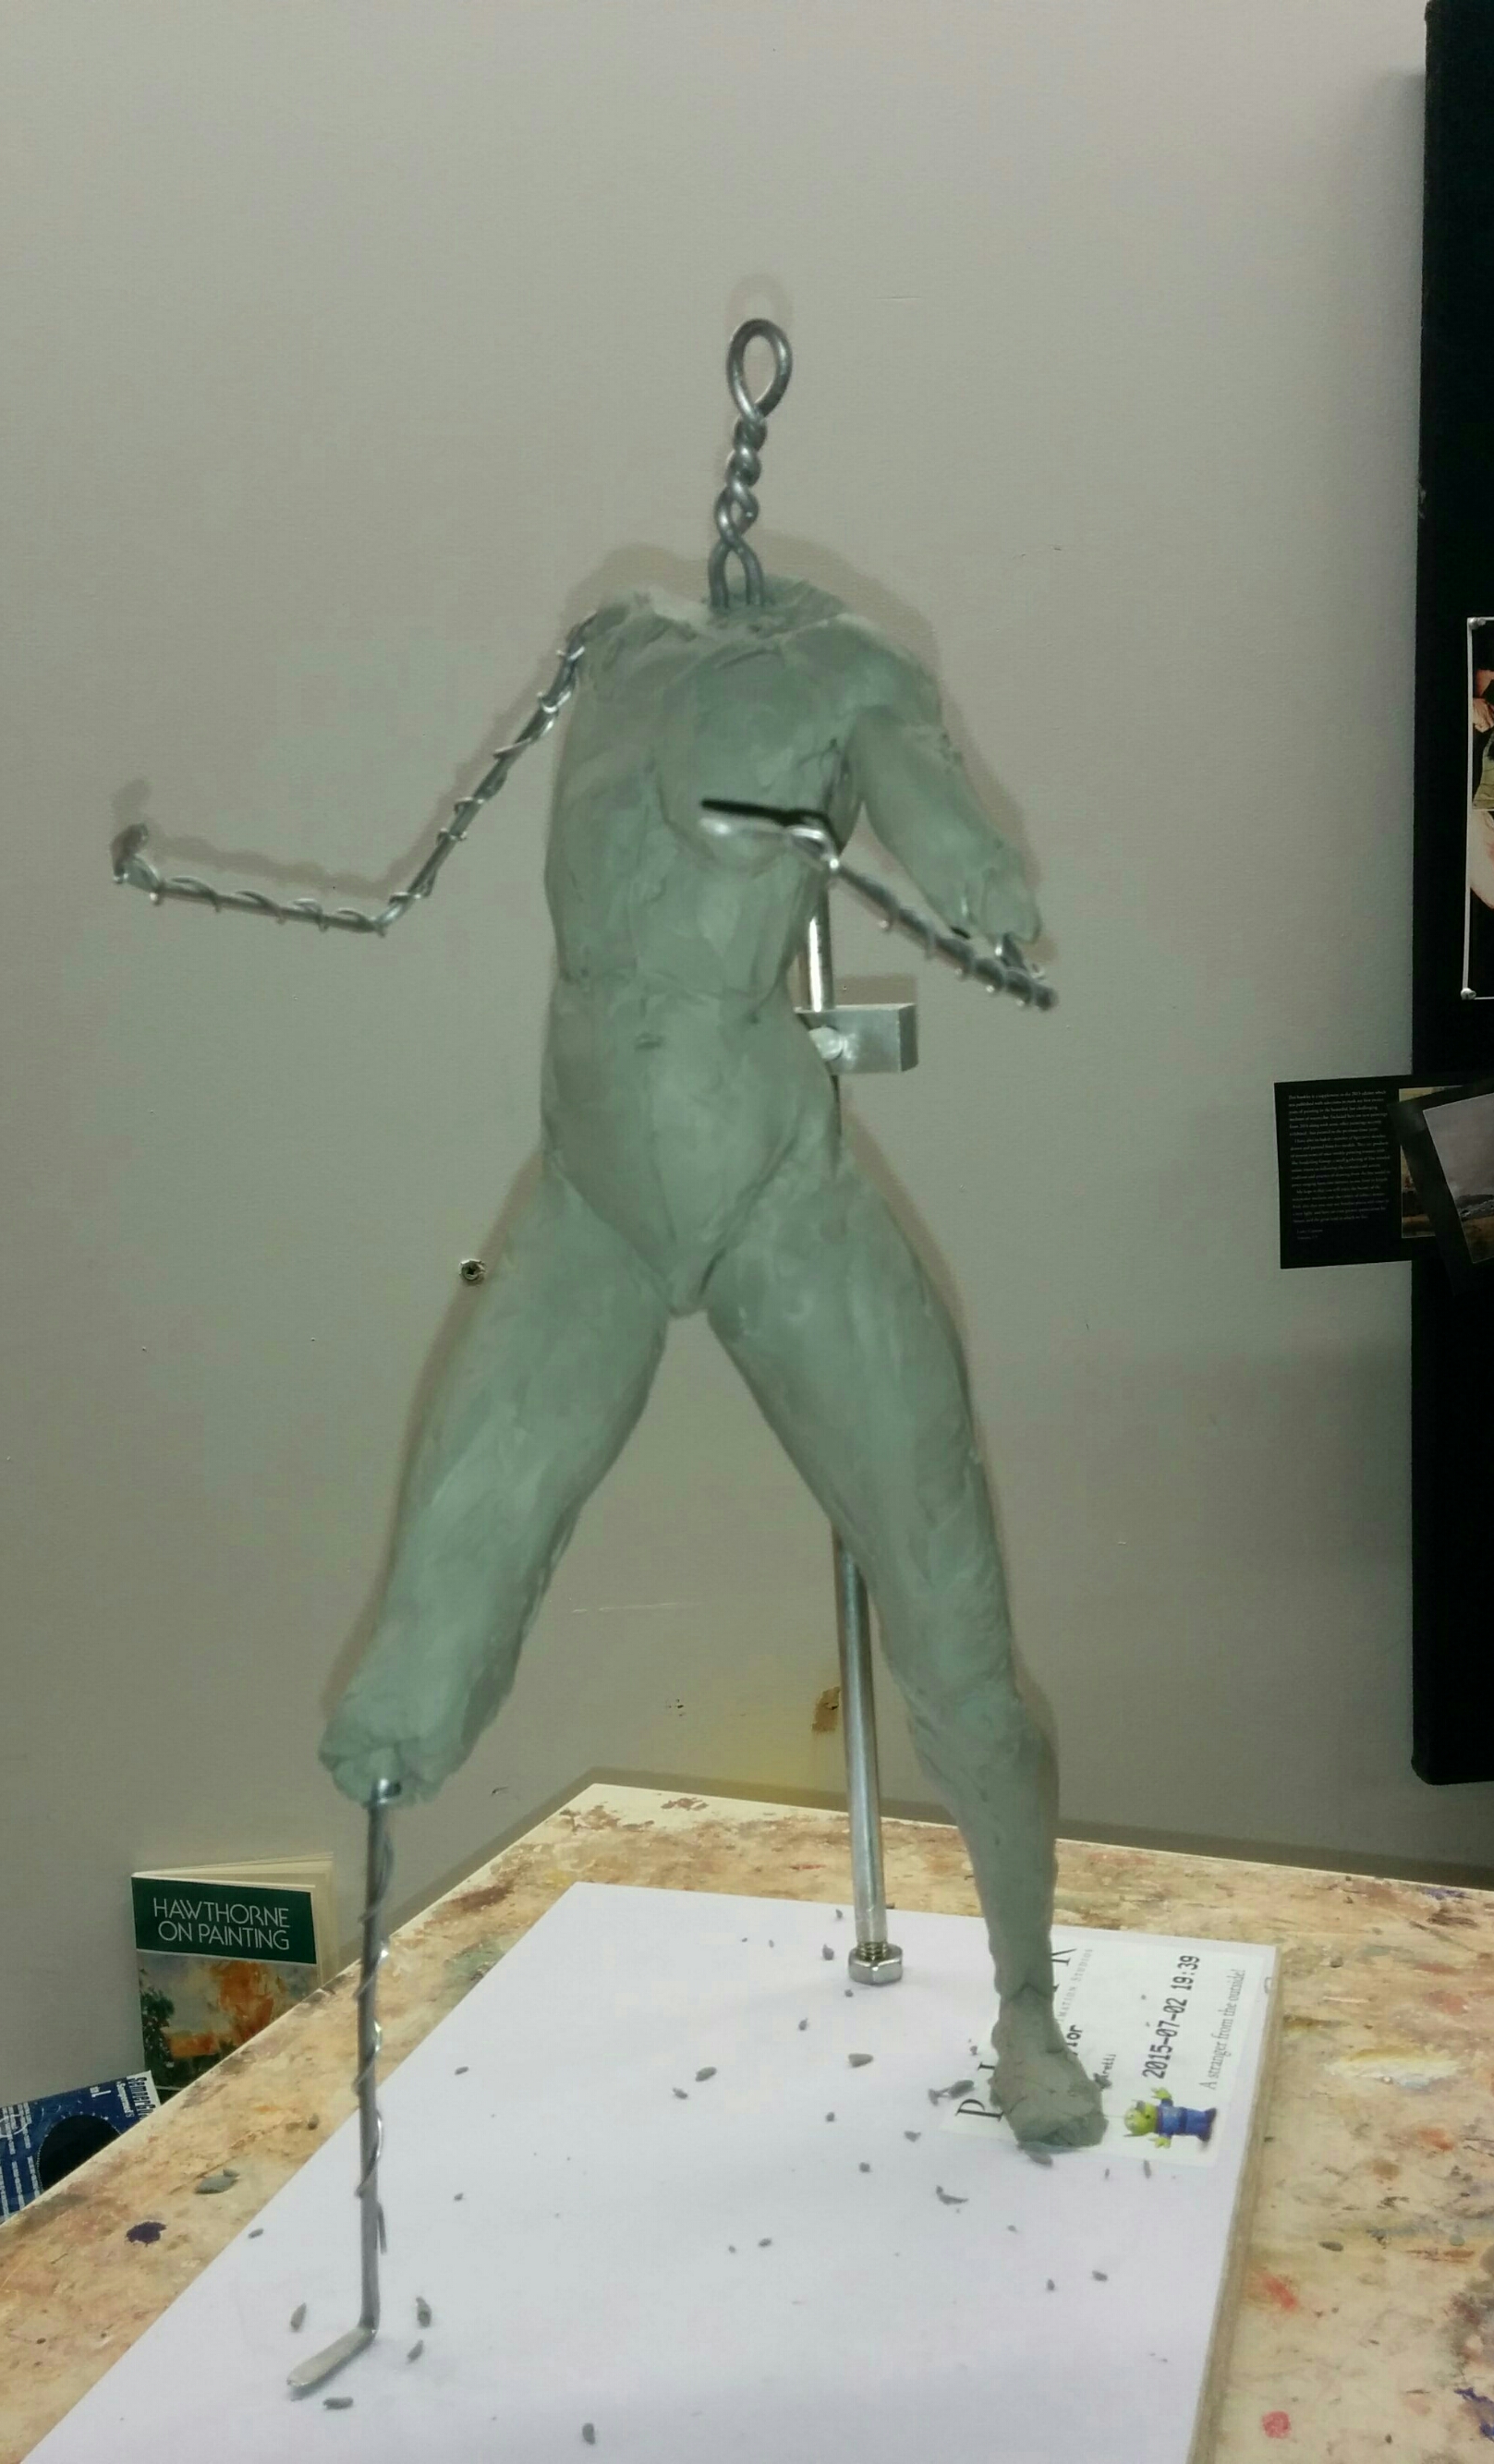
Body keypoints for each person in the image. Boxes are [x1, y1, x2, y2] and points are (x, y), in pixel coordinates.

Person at [317, 577, 1105, 2149]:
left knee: (951, 1625)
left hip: (772, 1193)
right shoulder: (614, 648)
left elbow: (960, 852)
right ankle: (405, 1742)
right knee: (435, 1607)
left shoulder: (851, 671)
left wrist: (978, 880)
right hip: (590, 1191)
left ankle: (1026, 2000)